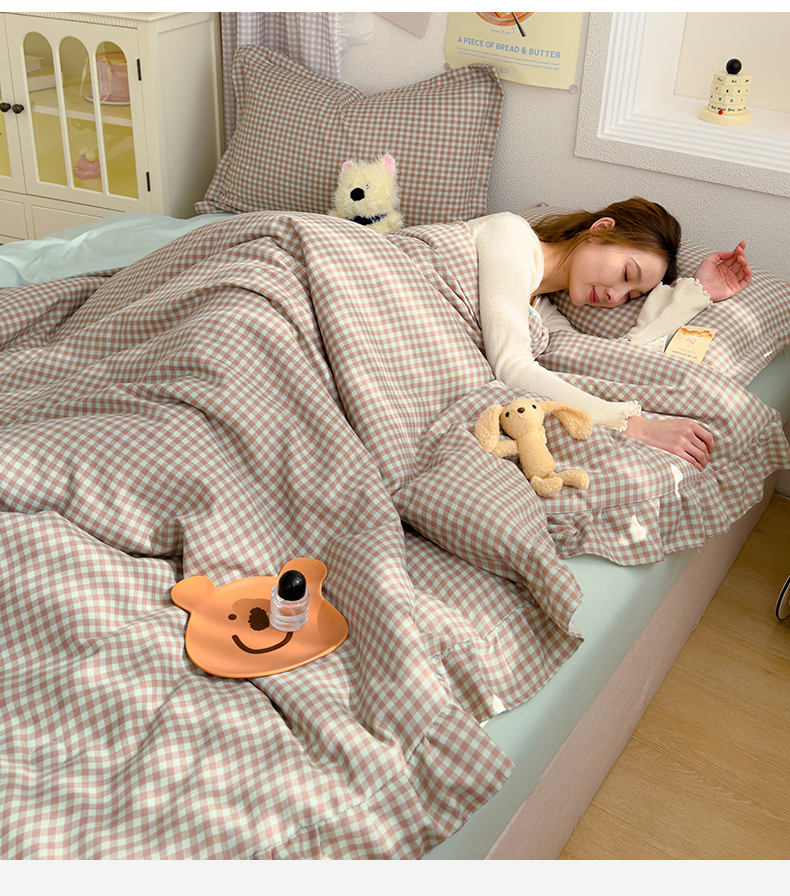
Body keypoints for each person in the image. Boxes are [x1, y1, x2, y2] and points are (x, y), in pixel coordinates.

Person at [466, 198, 752, 472]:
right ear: (601, 230)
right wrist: (631, 424)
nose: (615, 297)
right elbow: (512, 367)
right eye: (627, 274)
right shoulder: (511, 234)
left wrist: (695, 294)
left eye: (631, 296)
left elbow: (604, 363)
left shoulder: (541, 315)